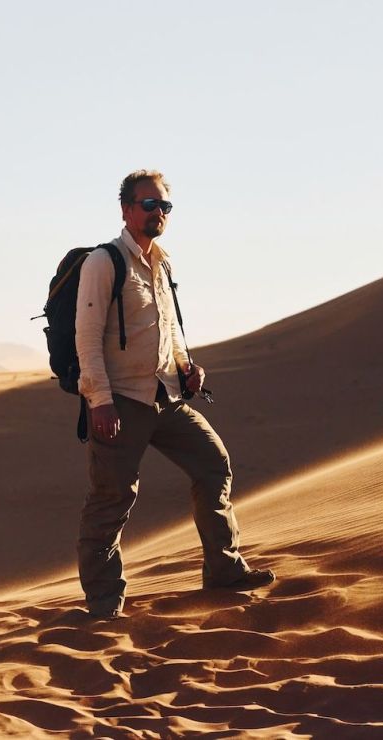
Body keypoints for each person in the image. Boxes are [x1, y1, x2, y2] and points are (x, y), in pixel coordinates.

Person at [74, 169, 275, 620]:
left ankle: (224, 570)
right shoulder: (104, 262)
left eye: (165, 206)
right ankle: (104, 606)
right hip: (121, 401)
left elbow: (170, 329)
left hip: (166, 396)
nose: (158, 213)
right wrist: (99, 400)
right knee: (111, 500)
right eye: (149, 205)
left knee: (213, 463)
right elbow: (86, 339)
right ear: (126, 210)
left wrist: (186, 367)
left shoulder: (163, 262)